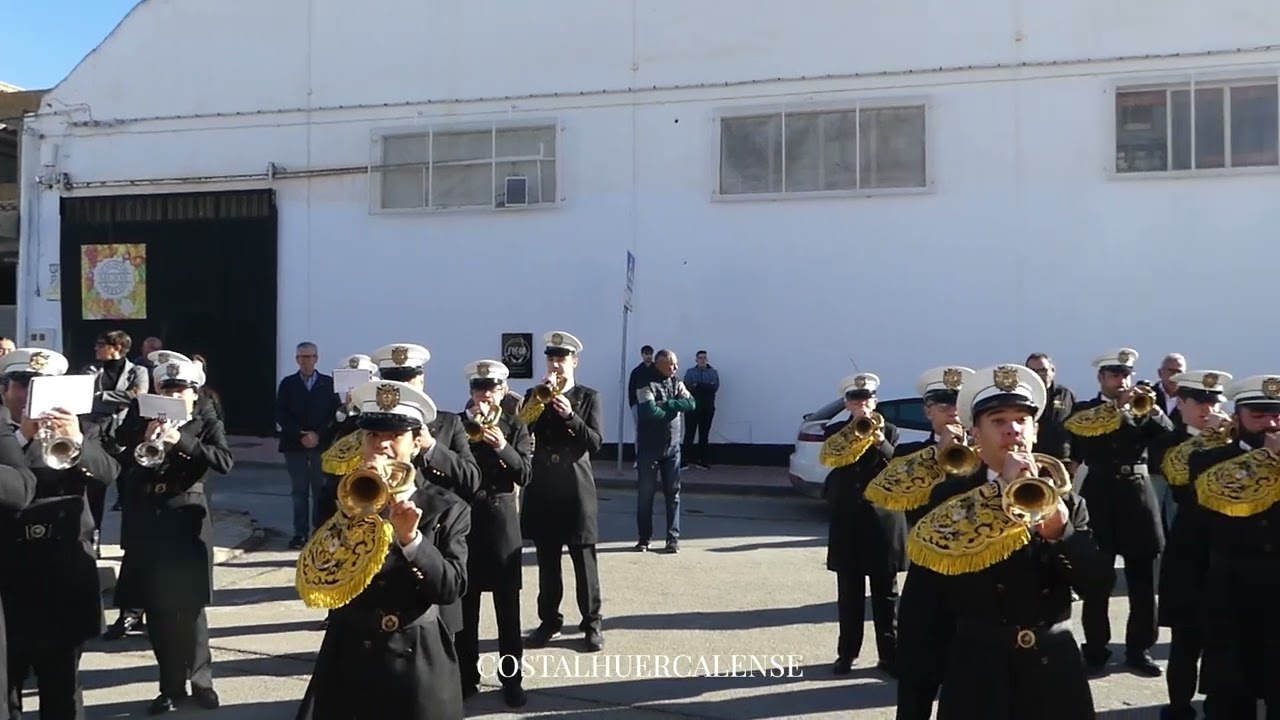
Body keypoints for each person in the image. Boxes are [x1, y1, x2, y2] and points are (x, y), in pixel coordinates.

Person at [896, 364, 1111, 720]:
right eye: (997, 420)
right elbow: (924, 609)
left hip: (1053, 667)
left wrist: (1062, 534)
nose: (1012, 429)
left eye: (1021, 420)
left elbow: (1098, 583)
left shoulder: (1067, 500)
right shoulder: (950, 497)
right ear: (975, 433)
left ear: (1036, 430)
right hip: (978, 671)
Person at [295, 380, 470, 720]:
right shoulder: (340, 496)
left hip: (415, 654)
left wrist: (412, 542)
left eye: (395, 436)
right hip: (350, 652)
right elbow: (316, 574)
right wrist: (349, 515)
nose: (382, 445)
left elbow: (451, 588)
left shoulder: (446, 506)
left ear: (416, 442)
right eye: (373, 435)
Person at [0, 349, 120, 719]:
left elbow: (109, 473)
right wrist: (23, 437)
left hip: (63, 573)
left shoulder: (81, 427)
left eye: (45, 387)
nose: (32, 396)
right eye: (24, 385)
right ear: (5, 389)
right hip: (12, 572)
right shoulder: (4, 433)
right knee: (8, 688)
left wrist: (79, 441)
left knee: (64, 687)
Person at [113, 355, 234, 713]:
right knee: (158, 610)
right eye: (167, 389)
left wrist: (180, 440)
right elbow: (123, 470)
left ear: (194, 395)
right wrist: (145, 441)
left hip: (187, 523)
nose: (173, 394)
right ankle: (169, 686)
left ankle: (202, 683)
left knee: (191, 609)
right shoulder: (143, 421)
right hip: (150, 524)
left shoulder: (205, 422)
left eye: (180, 389)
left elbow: (224, 462)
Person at [1064, 347, 1174, 676]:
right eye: (1114, 375)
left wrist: (1149, 409)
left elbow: (1168, 436)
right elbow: (1080, 443)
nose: (1121, 380)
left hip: (1138, 495)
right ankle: (1096, 649)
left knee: (1142, 580)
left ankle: (1140, 649)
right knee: (1098, 577)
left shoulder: (1145, 409)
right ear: (1101, 378)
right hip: (1099, 494)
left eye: (1125, 374)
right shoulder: (1084, 411)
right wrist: (1115, 410)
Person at [1184, 373, 1280, 719]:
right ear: (1238, 417)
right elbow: (1199, 531)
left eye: (1278, 415)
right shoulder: (1209, 461)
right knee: (1230, 696)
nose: (1271, 423)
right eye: (1259, 415)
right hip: (1231, 594)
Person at [1149, 370, 1234, 720]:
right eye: (1199, 401)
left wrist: (1232, 435)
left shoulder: (1235, 439)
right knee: (1185, 640)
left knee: (1224, 640)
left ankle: (1218, 704)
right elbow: (1181, 478)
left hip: (1227, 548)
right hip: (1189, 548)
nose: (1207, 408)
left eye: (1214, 401)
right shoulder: (1168, 440)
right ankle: (1179, 707)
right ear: (1181, 404)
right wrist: (1215, 438)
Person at [520, 331, 606, 653]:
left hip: (576, 486)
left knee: (584, 560)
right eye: (551, 359)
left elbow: (595, 443)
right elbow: (520, 428)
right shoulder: (535, 393)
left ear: (574, 362)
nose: (556, 365)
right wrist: (535, 404)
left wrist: (570, 415)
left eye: (562, 359)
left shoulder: (588, 397)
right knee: (547, 561)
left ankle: (592, 622)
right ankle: (549, 621)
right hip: (544, 486)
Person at [453, 360, 531, 707]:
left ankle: (512, 679)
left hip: (501, 526)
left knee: (507, 611)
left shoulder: (516, 426)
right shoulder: (456, 424)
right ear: (471, 392)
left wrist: (502, 446)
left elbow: (525, 474)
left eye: (493, 388)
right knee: (465, 610)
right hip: (466, 524)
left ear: (503, 390)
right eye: (479, 388)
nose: (486, 395)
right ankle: (466, 676)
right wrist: (467, 429)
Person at [819, 372, 904, 676]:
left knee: (886, 595)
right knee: (849, 594)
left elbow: (897, 464)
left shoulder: (891, 431)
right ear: (846, 403)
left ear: (875, 401)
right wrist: (853, 433)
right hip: (848, 521)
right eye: (855, 399)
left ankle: (890, 655)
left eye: (866, 398)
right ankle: (847, 654)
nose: (861, 404)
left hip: (881, 520)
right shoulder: (835, 432)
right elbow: (831, 462)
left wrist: (879, 441)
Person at [866, 366, 975, 526]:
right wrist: (937, 453)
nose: (953, 413)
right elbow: (892, 492)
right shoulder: (907, 452)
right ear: (928, 412)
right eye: (944, 407)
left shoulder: (984, 453)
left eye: (959, 406)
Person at [276, 341, 339, 550]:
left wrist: (317, 434)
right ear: (296, 359)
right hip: (295, 445)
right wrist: (300, 434)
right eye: (302, 357)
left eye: (310, 357)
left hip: (321, 445)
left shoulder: (328, 384)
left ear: (317, 358)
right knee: (299, 491)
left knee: (320, 491)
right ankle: (299, 534)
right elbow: (280, 413)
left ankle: (318, 533)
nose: (306, 361)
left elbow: (335, 414)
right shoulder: (287, 383)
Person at [634, 349, 695, 554]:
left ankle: (673, 538)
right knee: (646, 495)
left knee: (673, 494)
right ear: (660, 363)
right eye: (672, 364)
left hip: (672, 447)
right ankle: (644, 538)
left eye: (676, 364)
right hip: (649, 448)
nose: (676, 368)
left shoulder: (677, 382)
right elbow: (649, 411)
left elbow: (691, 403)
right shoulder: (645, 383)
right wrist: (671, 410)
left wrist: (668, 404)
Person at [681, 350, 719, 469]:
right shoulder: (690, 372)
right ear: (696, 360)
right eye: (700, 358)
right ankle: (684, 460)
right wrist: (704, 387)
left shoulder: (713, 373)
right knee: (689, 434)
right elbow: (688, 387)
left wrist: (698, 386)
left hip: (707, 408)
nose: (702, 360)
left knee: (704, 434)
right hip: (692, 407)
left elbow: (714, 387)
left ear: (707, 360)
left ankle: (702, 460)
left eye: (704, 358)